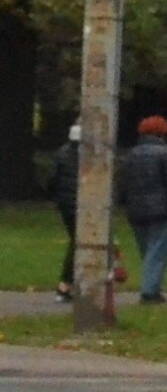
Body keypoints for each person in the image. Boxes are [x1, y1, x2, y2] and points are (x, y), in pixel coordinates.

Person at [116, 114, 167, 304]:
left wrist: (122, 202)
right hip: (162, 210)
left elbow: (123, 184)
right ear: (162, 132)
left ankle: (153, 287)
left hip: (136, 210)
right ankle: (149, 291)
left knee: (146, 250)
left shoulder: (132, 155)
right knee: (158, 250)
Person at [50, 123, 81, 302]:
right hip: (81, 204)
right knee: (78, 243)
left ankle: (67, 285)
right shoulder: (87, 154)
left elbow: (53, 180)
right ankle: (65, 284)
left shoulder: (62, 153)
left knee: (76, 242)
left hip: (66, 205)